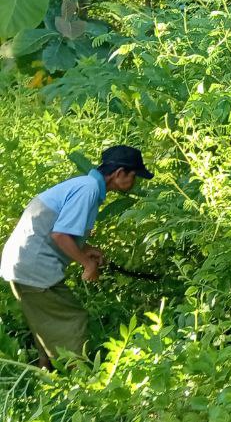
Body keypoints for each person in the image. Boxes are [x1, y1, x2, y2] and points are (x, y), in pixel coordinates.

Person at [1, 145, 153, 369]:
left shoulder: (85, 185)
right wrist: (87, 264)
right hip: (33, 266)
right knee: (72, 318)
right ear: (120, 173)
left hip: (22, 263)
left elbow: (61, 230)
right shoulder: (88, 189)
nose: (135, 182)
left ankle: (47, 373)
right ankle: (78, 377)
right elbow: (60, 235)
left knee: (47, 322)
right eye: (134, 175)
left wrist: (85, 248)